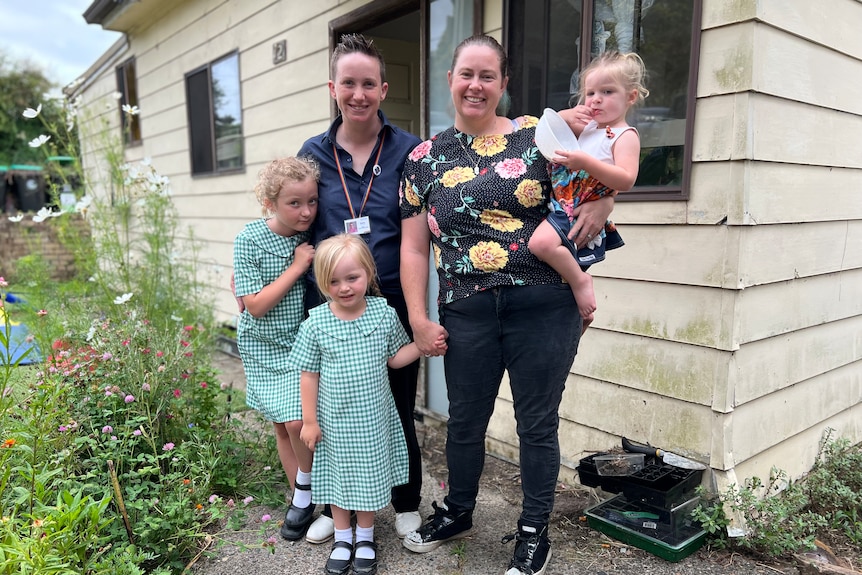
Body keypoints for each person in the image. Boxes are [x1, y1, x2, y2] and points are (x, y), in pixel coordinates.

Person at [399, 35, 615, 575]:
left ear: (503, 83)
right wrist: (420, 318)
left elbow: (610, 145)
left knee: (536, 424)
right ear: (450, 78)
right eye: (466, 74)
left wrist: (607, 196)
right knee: (465, 421)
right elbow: (411, 247)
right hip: (465, 308)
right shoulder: (422, 160)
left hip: (543, 304)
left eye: (487, 76)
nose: (476, 85)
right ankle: (459, 511)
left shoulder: (537, 135)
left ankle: (533, 530)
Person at [296, 32, 426, 544]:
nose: (358, 93)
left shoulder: (410, 150)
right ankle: (335, 507)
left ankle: (407, 502)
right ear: (333, 87)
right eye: (348, 83)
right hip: (329, 303)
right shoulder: (311, 153)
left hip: (390, 301)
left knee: (396, 405)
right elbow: (292, 216)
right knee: (332, 411)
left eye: (368, 83)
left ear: (383, 89)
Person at [290, 233, 422, 575]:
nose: (344, 287)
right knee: (337, 479)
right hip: (332, 421)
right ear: (323, 282)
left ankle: (365, 536)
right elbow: (308, 374)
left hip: (372, 421)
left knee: (367, 478)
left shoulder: (382, 313)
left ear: (368, 274)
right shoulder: (316, 322)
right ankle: (343, 537)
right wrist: (309, 421)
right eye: (334, 281)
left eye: (352, 277)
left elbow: (395, 359)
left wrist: (425, 344)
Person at [232, 156, 320, 541]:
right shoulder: (250, 239)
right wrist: (298, 267)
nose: (305, 212)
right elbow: (254, 304)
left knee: (298, 423)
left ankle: (304, 493)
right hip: (263, 345)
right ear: (270, 202)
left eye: (312, 202)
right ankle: (302, 497)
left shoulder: (311, 234)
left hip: (299, 342)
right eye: (294, 203)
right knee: (284, 428)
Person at [529, 51, 648, 330]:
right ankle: (580, 316)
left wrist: (586, 162)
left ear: (630, 97)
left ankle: (581, 282)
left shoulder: (624, 135)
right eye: (590, 92)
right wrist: (566, 115)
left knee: (540, 245)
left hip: (577, 207)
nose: (595, 99)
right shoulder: (591, 127)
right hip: (564, 202)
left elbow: (626, 179)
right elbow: (548, 130)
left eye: (607, 92)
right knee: (559, 275)